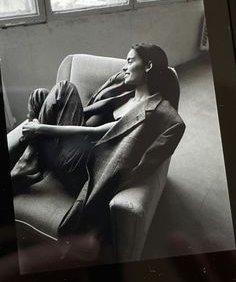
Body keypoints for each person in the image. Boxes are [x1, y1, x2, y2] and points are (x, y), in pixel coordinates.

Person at [11, 43, 185, 263]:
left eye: (130, 61)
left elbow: (95, 132)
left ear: (148, 65)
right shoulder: (123, 92)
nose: (124, 68)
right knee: (45, 95)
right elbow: (89, 113)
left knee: (64, 88)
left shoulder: (155, 112)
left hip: (83, 169)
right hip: (75, 152)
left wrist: (41, 128)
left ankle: (31, 158)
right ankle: (34, 147)